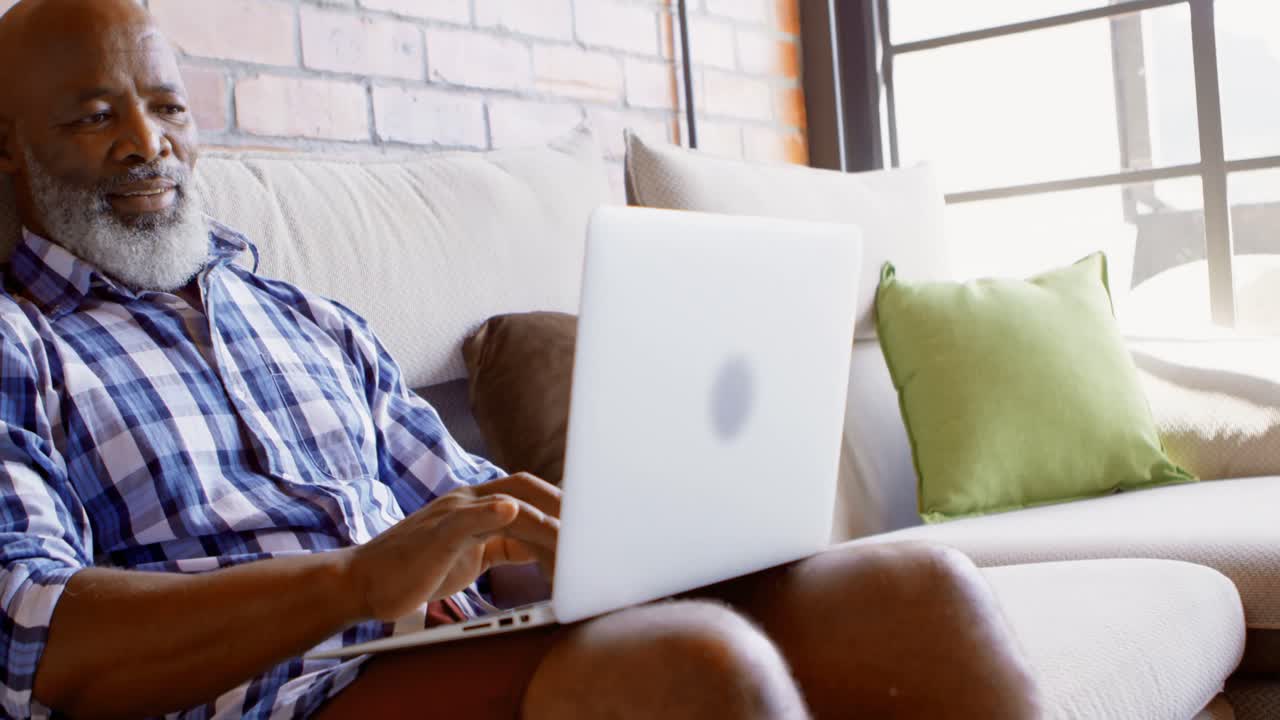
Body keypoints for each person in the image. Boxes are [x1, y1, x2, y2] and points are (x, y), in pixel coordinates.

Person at [0, 0, 1044, 718]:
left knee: (918, 593)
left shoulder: (307, 319)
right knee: (691, 668)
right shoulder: (23, 342)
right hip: (283, 692)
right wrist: (351, 582)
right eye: (94, 116)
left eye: (168, 106)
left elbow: (473, 519)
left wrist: (607, 542)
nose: (147, 142)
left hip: (440, 644)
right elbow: (32, 638)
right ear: (9, 145)